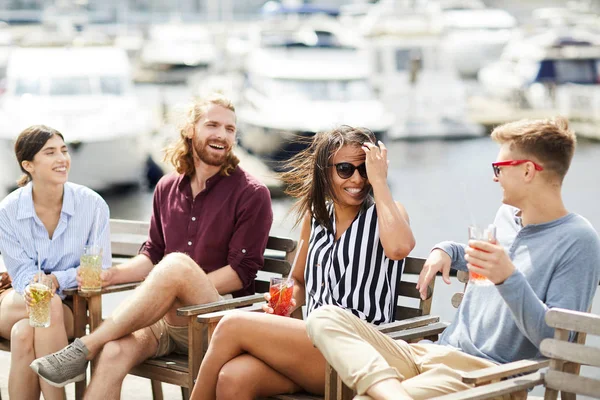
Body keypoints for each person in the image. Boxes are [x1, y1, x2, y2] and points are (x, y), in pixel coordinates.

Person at [306, 117, 600, 400]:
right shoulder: (508, 218)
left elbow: (558, 344)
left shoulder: (578, 240)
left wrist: (508, 278)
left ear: (527, 171)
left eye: (499, 167)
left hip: (482, 376)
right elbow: (489, 259)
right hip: (432, 354)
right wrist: (448, 250)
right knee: (324, 318)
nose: (493, 176)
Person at [29, 94, 274, 399]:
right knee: (114, 351)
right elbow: (152, 255)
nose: (222, 135)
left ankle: (84, 347)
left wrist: (176, 286)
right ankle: (96, 348)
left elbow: (242, 272)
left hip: (218, 323)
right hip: (165, 322)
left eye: (230, 129)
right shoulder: (166, 187)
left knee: (175, 266)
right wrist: (112, 276)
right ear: (190, 130)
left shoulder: (252, 193)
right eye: (212, 125)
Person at [190, 126, 416, 400]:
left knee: (230, 325)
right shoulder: (317, 216)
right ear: (325, 171)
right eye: (345, 169)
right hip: (310, 347)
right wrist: (284, 303)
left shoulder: (387, 213)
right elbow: (298, 281)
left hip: (361, 355)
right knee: (233, 378)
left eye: (365, 169)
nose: (357, 179)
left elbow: (399, 248)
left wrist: (380, 183)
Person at [0, 125, 111, 400]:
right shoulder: (8, 211)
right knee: (43, 301)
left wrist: (58, 279)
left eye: (64, 150)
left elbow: (98, 269)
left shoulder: (92, 206)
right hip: (17, 302)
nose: (62, 158)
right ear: (28, 165)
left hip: (71, 308)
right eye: (50, 152)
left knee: (25, 333)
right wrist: (36, 285)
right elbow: (21, 271)